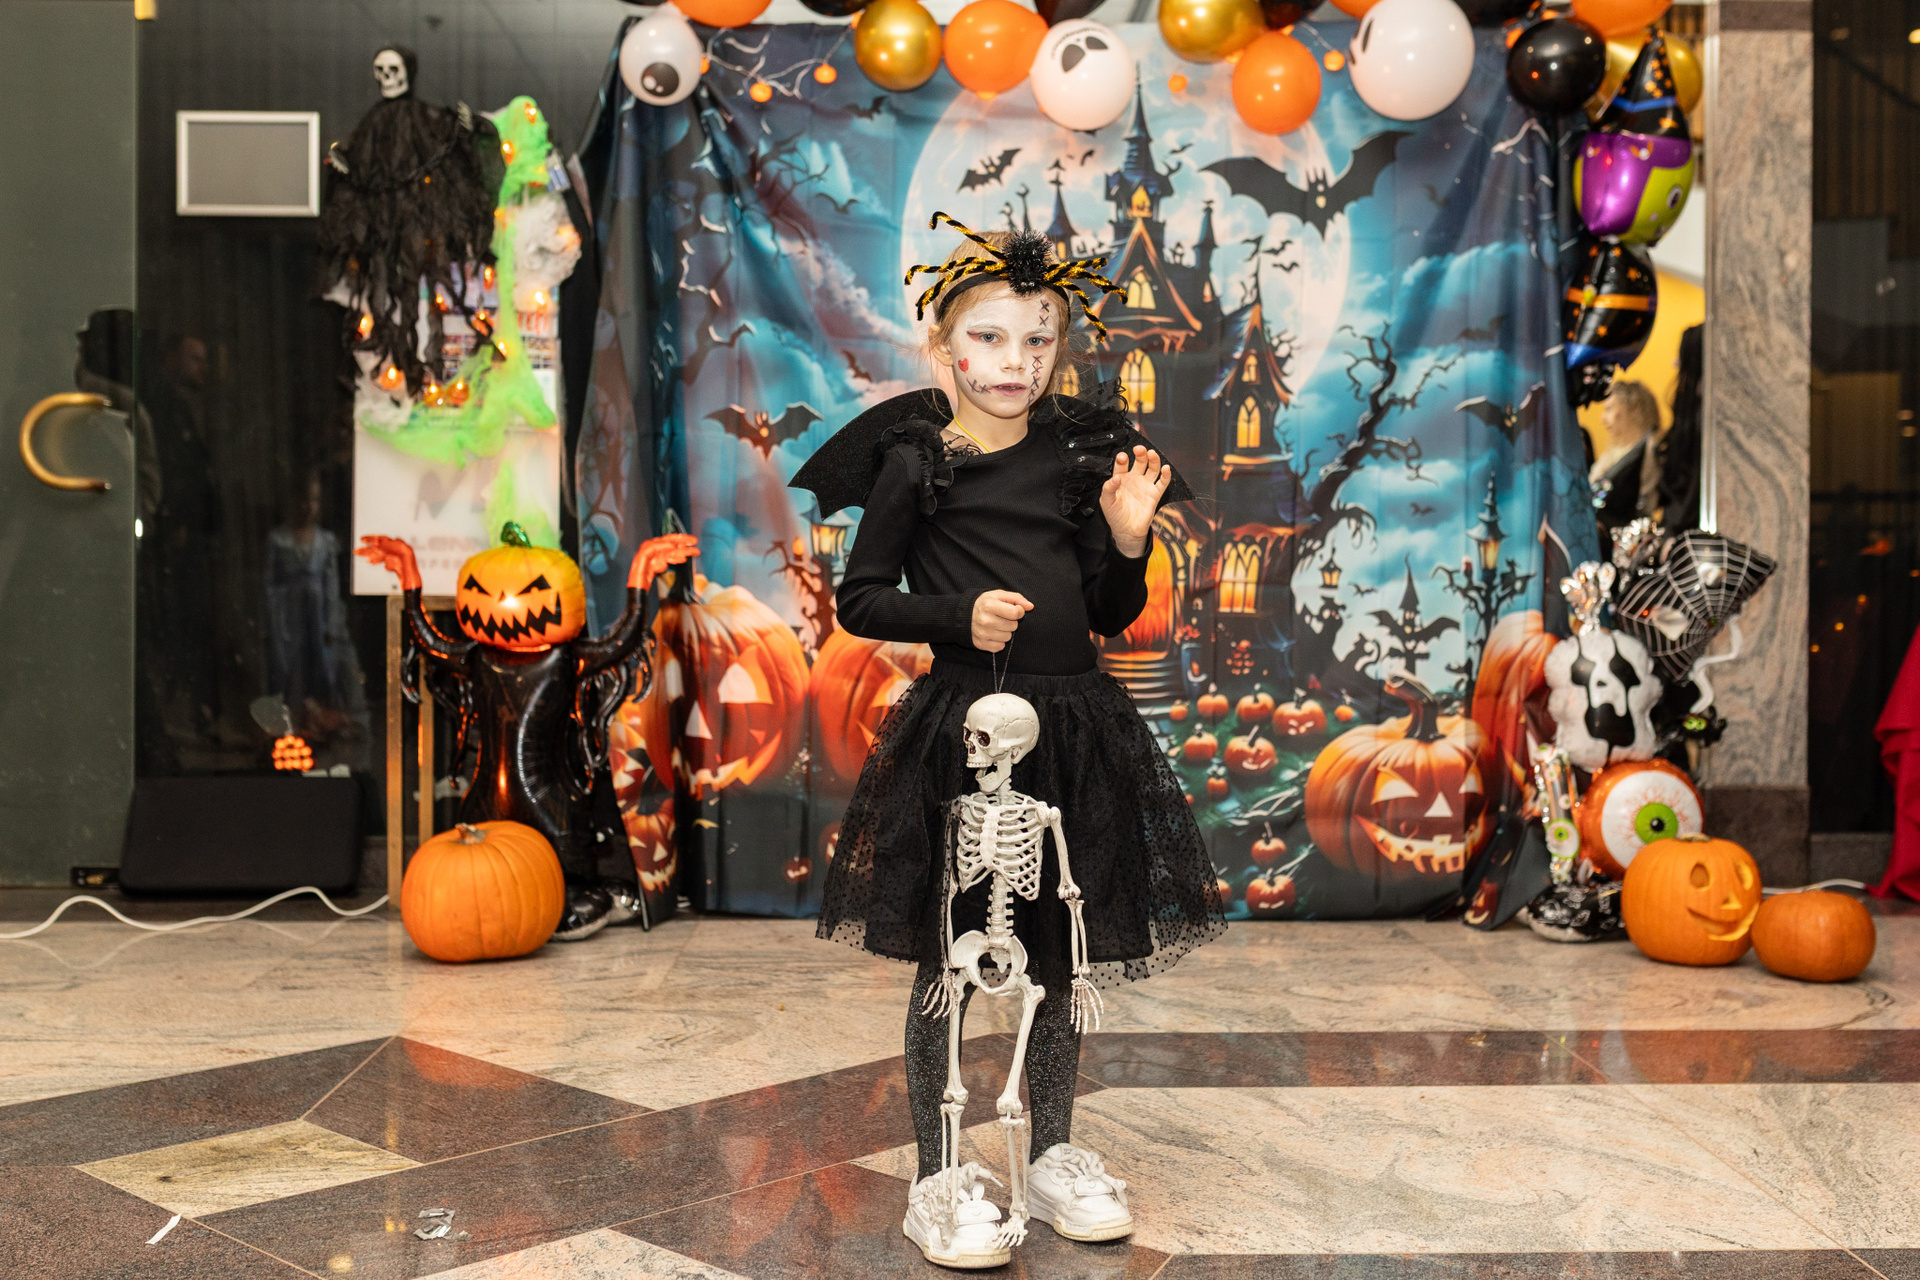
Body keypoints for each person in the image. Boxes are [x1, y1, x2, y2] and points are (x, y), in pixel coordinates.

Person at [791, 216, 1225, 1269]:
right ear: (944, 348)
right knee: (950, 955)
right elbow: (861, 597)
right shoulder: (917, 461)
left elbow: (1110, 609)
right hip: (968, 732)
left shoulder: (1078, 458)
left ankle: (1055, 1148)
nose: (1013, 362)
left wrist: (1127, 538)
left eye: (1036, 341)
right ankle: (939, 1170)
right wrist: (956, 616)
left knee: (1061, 953)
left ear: (1058, 352)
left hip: (1074, 726)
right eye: (988, 339)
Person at [1589, 378, 1660, 548]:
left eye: (1609, 409)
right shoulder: (1610, 456)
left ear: (1632, 410)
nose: (1603, 418)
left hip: (1625, 543)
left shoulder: (1648, 448)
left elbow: (1648, 503)